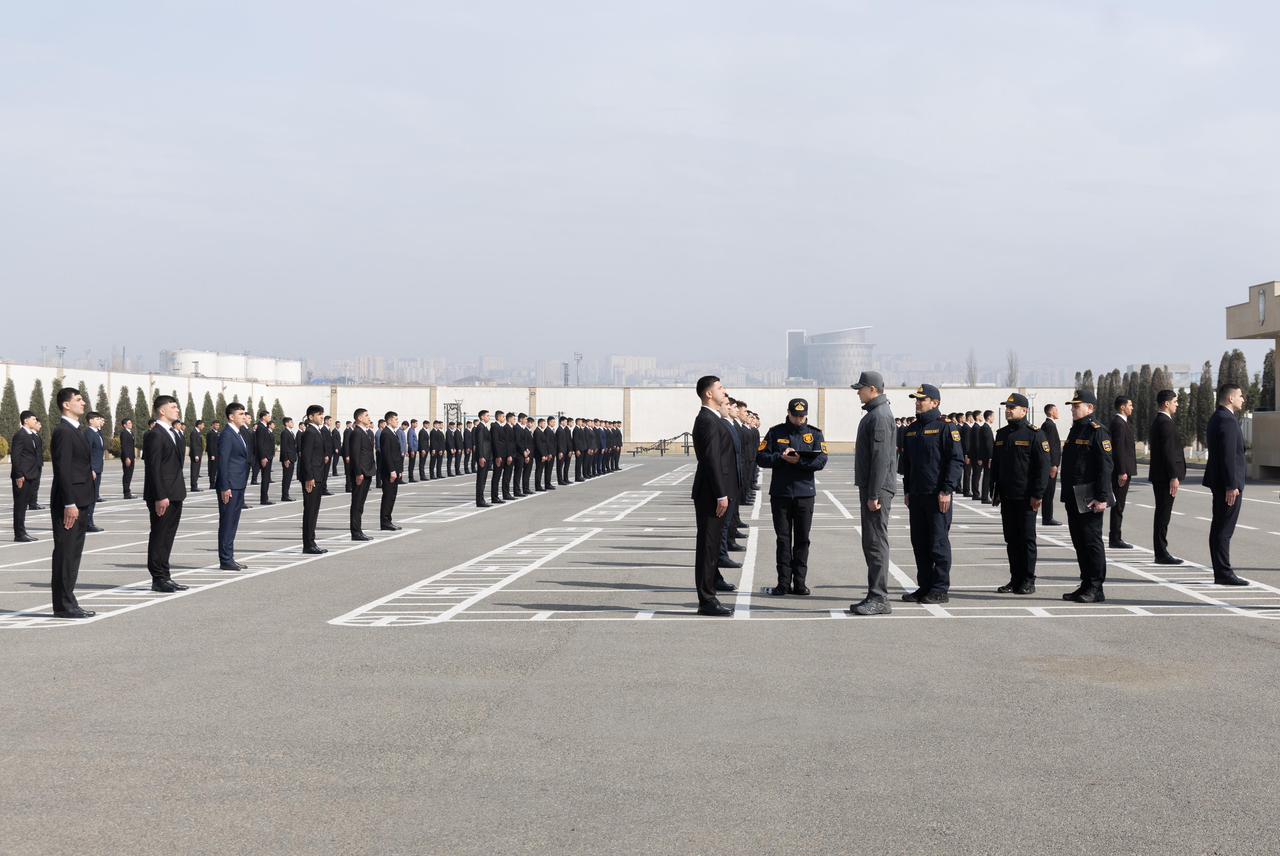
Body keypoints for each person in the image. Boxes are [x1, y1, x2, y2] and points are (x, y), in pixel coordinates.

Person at [899, 384, 964, 604]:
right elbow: (907, 464)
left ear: (935, 403)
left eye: (922, 399)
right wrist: (907, 490)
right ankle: (924, 585)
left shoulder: (946, 427)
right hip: (917, 495)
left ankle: (939, 588)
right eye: (916, 399)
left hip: (938, 496)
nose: (917, 402)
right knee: (919, 543)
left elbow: (955, 461)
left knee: (938, 543)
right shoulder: (912, 429)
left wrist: (947, 490)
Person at [756, 398, 828, 597]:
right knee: (783, 539)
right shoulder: (775, 432)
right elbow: (760, 457)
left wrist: (799, 462)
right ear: (788, 413)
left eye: (802, 416)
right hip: (781, 494)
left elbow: (822, 461)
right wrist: (780, 458)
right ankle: (783, 583)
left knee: (803, 539)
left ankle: (800, 583)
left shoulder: (815, 434)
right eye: (795, 415)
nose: (798, 419)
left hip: (805, 494)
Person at [990, 393, 1050, 594]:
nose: (1008, 410)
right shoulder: (1002, 434)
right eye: (1007, 407)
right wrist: (995, 490)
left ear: (1024, 411)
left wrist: (1037, 494)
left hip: (1026, 497)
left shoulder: (1035, 434)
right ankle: (1015, 578)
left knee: (1026, 540)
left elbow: (1042, 468)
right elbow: (997, 466)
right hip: (1007, 495)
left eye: (1012, 407)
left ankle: (1028, 580)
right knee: (1011, 540)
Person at [1059, 390, 1113, 603]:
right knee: (1079, 541)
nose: (1073, 409)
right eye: (1072, 406)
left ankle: (1096, 587)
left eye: (1077, 405)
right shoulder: (1076, 430)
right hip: (1074, 495)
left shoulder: (1096, 432)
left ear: (1090, 408)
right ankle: (1085, 583)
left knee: (1091, 542)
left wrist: (1102, 497)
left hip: (1090, 496)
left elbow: (1105, 467)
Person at [691, 375, 738, 616]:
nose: (724, 391)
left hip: (716, 492)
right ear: (709, 393)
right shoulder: (707, 420)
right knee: (708, 548)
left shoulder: (713, 418)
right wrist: (721, 494)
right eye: (720, 388)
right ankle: (707, 600)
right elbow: (711, 460)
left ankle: (709, 594)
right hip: (711, 494)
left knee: (710, 547)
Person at [849, 372, 896, 615]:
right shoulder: (876, 414)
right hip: (873, 488)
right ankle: (874, 594)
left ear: (873, 389)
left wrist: (874, 493)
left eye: (861, 388)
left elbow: (881, 459)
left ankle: (879, 598)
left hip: (877, 490)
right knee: (871, 542)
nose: (858, 392)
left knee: (876, 542)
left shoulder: (879, 417)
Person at [49, 387, 96, 618]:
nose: (83, 403)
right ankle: (64, 605)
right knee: (66, 554)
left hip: (81, 500)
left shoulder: (77, 430)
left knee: (73, 554)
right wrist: (69, 502)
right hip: (70, 502)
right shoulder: (63, 432)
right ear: (66, 405)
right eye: (78, 400)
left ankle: (68, 601)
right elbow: (62, 469)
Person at [142, 395, 190, 593]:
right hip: (162, 495)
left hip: (176, 492)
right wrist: (161, 496)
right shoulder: (155, 434)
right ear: (162, 411)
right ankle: (158, 577)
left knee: (168, 536)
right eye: (173, 407)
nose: (177, 410)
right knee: (159, 535)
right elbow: (153, 468)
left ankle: (166, 575)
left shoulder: (174, 433)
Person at [1203, 384, 1249, 586]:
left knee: (1219, 527)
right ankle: (1223, 572)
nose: (1243, 399)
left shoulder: (1218, 417)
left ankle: (1221, 571)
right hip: (1227, 485)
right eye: (1240, 396)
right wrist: (1232, 485)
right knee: (1223, 529)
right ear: (1230, 398)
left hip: (1221, 482)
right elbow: (1228, 456)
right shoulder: (1227, 421)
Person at [1148, 389, 1186, 565]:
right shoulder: (1165, 423)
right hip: (1165, 477)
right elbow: (1169, 452)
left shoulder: (1160, 421)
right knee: (1163, 515)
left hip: (1161, 476)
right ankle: (1161, 553)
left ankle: (1160, 551)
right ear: (1166, 403)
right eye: (1175, 401)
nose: (1177, 404)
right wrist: (1173, 476)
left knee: (1162, 514)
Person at [216, 402, 251, 570]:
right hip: (230, 486)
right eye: (241, 414)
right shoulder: (227, 434)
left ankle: (229, 557)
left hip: (238, 484)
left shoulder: (238, 433)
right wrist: (224, 486)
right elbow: (223, 462)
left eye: (244, 414)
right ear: (231, 417)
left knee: (233, 522)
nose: (244, 417)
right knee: (227, 522)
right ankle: (225, 559)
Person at [1106, 396, 1137, 549]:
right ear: (1122, 407)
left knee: (1120, 505)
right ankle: (1115, 538)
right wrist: (1121, 471)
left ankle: (1116, 536)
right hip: (1121, 471)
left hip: (1124, 469)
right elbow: (1118, 449)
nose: (1132, 407)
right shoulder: (1118, 423)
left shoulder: (1124, 422)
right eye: (1130, 405)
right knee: (1118, 505)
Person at [299, 404, 327, 554]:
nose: (322, 417)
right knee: (310, 511)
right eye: (319, 414)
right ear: (311, 417)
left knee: (314, 511)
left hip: (317, 476)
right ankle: (308, 544)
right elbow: (306, 457)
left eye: (322, 414)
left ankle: (311, 542)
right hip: (312, 478)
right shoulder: (310, 432)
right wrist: (309, 477)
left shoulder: (317, 431)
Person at [11, 410, 42, 542]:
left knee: (24, 505)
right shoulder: (20, 435)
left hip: (31, 475)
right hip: (22, 476)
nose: (36, 422)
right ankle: (19, 534)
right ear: (26, 421)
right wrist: (18, 475)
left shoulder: (32, 436)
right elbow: (15, 456)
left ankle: (22, 531)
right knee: (20, 505)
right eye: (33, 419)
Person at [348, 408, 376, 540]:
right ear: (359, 418)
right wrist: (358, 473)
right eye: (366, 415)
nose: (368, 417)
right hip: (361, 473)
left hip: (367, 471)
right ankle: (356, 531)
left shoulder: (366, 432)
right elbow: (355, 454)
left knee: (361, 503)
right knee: (357, 503)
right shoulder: (357, 433)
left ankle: (358, 530)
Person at [379, 411, 404, 531]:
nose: (397, 421)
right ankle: (385, 522)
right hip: (389, 471)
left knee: (392, 496)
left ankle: (388, 520)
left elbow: (396, 454)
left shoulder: (393, 433)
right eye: (395, 419)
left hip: (395, 470)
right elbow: (387, 454)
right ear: (389, 421)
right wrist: (392, 470)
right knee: (388, 496)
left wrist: (399, 470)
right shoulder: (386, 433)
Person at [1040, 404, 1063, 526]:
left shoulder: (1050, 425)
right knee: (1048, 492)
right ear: (1051, 412)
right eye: (1056, 409)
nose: (1058, 412)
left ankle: (1048, 516)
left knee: (1049, 491)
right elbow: (1050, 447)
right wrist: (1053, 464)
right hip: (1050, 465)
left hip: (1051, 464)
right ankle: (1047, 517)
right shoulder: (1049, 426)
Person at [84, 411, 106, 533]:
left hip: (98, 468)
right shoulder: (88, 433)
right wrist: (90, 468)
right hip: (92, 469)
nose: (100, 421)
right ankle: (88, 523)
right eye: (97, 419)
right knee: (90, 497)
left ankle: (89, 521)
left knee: (94, 496)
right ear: (91, 421)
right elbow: (86, 452)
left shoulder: (97, 433)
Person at [254, 410, 276, 506]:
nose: (269, 417)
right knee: (265, 478)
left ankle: (265, 498)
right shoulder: (261, 427)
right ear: (263, 417)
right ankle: (264, 499)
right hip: (265, 457)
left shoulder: (264, 427)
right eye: (268, 416)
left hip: (268, 456)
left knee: (266, 478)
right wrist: (263, 457)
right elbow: (260, 443)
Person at [473, 410, 494, 507]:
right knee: (481, 479)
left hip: (486, 456)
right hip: (483, 456)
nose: (489, 417)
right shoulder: (480, 427)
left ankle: (481, 499)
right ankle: (479, 500)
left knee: (484, 479)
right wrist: (481, 456)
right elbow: (480, 443)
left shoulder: (485, 427)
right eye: (487, 415)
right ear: (482, 417)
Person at [974, 410, 995, 503]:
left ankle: (985, 496)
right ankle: (985, 497)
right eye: (993, 416)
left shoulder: (984, 427)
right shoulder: (986, 428)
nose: (994, 418)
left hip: (984, 456)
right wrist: (991, 457)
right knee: (987, 477)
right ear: (989, 417)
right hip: (987, 457)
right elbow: (988, 444)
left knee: (987, 477)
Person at [279, 417, 298, 501]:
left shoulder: (290, 432)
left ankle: (286, 494)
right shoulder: (285, 433)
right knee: (286, 478)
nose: (292, 423)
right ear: (286, 423)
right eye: (291, 422)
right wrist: (286, 459)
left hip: (292, 458)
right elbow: (284, 447)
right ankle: (284, 496)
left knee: (289, 478)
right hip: (288, 459)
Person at [117, 416, 136, 498]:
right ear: (124, 425)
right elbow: (124, 446)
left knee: (130, 474)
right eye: (129, 423)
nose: (131, 424)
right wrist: (127, 457)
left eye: (131, 423)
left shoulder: (130, 432)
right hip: (127, 457)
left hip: (131, 456)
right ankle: (126, 493)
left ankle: (128, 491)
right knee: (127, 474)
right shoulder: (124, 433)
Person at [187, 419, 205, 491]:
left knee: (197, 471)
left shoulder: (198, 432)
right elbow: (193, 444)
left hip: (198, 454)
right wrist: (196, 455)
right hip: (196, 455)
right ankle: (193, 486)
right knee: (194, 471)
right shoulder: (194, 432)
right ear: (199, 425)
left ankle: (195, 485)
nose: (203, 426)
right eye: (203, 425)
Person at [206, 419, 221, 495]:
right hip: (213, 455)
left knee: (217, 470)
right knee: (212, 470)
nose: (217, 426)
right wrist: (212, 454)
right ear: (212, 425)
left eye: (218, 425)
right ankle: (212, 484)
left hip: (218, 454)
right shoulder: (210, 433)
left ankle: (215, 483)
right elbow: (210, 445)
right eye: (216, 425)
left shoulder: (218, 433)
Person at [556, 416, 573, 485]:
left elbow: (566, 441)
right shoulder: (559, 430)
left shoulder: (563, 429)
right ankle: (560, 480)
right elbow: (559, 442)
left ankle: (564, 479)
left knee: (563, 466)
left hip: (564, 450)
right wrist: (560, 451)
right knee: (560, 467)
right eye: (565, 422)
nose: (566, 423)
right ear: (561, 422)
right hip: (561, 451)